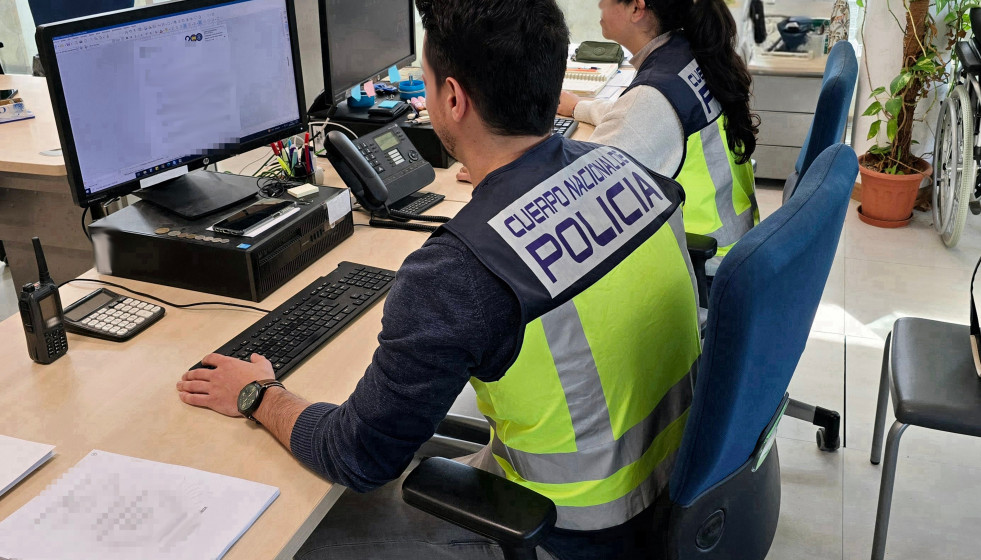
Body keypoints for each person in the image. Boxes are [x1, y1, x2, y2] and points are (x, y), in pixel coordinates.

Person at [176, 0, 700, 558]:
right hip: (672, 479)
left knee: (301, 534)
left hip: (567, 526)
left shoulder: (458, 271)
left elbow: (358, 456)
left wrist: (259, 395)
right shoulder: (630, 168)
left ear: (453, 98)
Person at [460, 0, 760, 264]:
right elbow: (641, 118)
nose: (599, 4)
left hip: (701, 263)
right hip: (733, 245)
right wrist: (579, 107)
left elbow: (573, 200)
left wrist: (498, 173)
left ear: (636, 8)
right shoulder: (686, 56)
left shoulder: (651, 100)